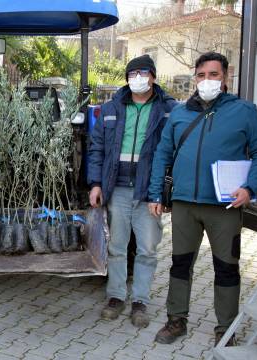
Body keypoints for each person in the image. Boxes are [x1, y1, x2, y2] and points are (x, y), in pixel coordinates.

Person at [148, 52, 257, 346]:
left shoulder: (244, 111)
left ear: (226, 77)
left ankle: (225, 329)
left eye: (214, 75)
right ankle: (176, 320)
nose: (207, 81)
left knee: (226, 268)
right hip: (184, 206)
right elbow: (162, 155)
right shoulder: (179, 113)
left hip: (225, 207)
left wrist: (250, 187)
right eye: (201, 75)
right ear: (195, 78)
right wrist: (155, 193)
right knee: (180, 265)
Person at [88, 54, 178, 328]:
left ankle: (140, 301)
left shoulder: (168, 109)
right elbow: (97, 149)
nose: (137, 79)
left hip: (149, 191)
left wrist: (163, 192)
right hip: (117, 188)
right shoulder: (112, 108)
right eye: (132, 74)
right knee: (116, 246)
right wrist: (95, 184)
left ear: (153, 76)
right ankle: (116, 296)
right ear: (127, 78)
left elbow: (175, 151)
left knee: (147, 248)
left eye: (143, 73)